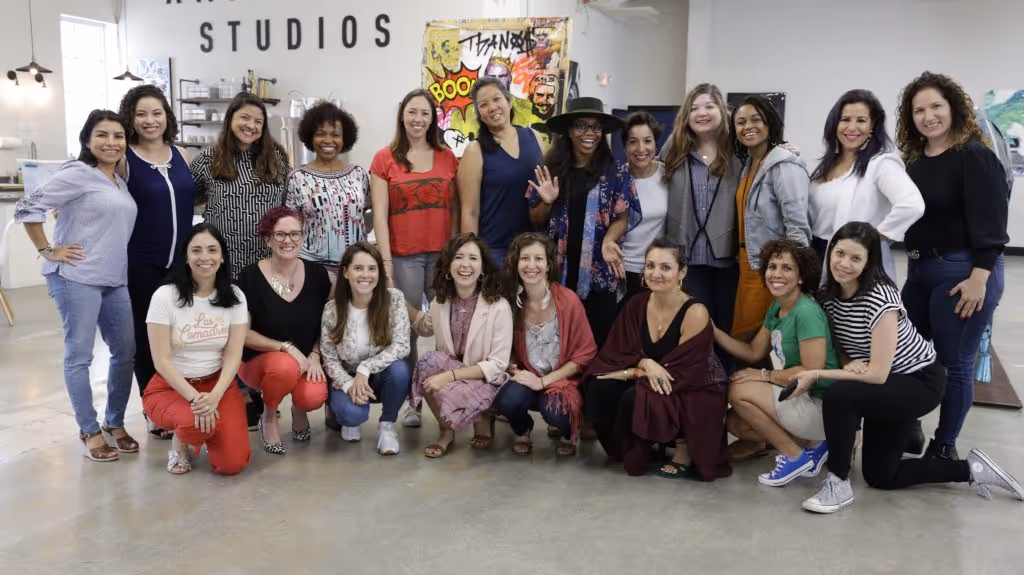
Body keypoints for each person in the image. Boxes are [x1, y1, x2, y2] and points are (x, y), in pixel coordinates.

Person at [790, 222, 1023, 514]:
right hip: (887, 386)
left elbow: (878, 374)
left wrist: (815, 374)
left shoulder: (880, 298)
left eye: (855, 258)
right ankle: (971, 469)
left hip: (918, 382)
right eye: (839, 254)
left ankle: (838, 483)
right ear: (830, 252)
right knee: (881, 476)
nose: (844, 264)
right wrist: (849, 362)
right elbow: (839, 341)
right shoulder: (828, 296)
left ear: (868, 262)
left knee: (840, 395)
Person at [896, 72, 1010, 460]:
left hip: (962, 272)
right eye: (919, 110)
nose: (928, 117)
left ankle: (944, 447)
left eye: (936, 107)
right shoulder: (914, 160)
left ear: (954, 108)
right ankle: (908, 428)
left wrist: (980, 279)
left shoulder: (974, 155)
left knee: (955, 362)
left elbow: (992, 224)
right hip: (919, 271)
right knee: (907, 354)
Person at [15, 110, 138, 462]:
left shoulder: (119, 180)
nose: (111, 142)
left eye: (118, 136)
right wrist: (47, 249)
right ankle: (89, 429)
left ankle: (115, 422)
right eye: (102, 135)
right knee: (80, 356)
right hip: (76, 276)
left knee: (125, 352)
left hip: (114, 277)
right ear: (87, 140)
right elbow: (28, 205)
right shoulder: (78, 172)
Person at [583, 238, 731, 480]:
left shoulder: (695, 312)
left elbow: (681, 374)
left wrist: (633, 373)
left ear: (682, 272)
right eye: (650, 266)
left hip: (692, 387)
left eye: (665, 267)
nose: (656, 274)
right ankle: (624, 449)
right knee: (599, 385)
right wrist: (645, 364)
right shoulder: (636, 304)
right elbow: (616, 352)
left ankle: (683, 446)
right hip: (649, 377)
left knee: (635, 396)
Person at [712, 239, 839, 480]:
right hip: (800, 398)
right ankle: (815, 443)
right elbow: (753, 352)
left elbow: (812, 371)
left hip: (820, 404)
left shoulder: (806, 312)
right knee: (736, 423)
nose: (776, 274)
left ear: (801, 277)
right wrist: (714, 332)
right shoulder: (777, 307)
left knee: (738, 389)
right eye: (772, 267)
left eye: (787, 268)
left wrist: (764, 375)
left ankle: (795, 456)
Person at [369, 89, 459, 428]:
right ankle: (412, 402)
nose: (418, 119)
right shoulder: (384, 159)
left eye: (424, 113)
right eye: (412, 112)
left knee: (448, 328)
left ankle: (450, 398)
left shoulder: (448, 157)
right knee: (406, 331)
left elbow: (456, 209)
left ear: (433, 119)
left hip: (442, 257)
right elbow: (379, 216)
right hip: (404, 256)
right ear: (402, 116)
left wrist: (457, 256)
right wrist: (385, 262)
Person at [117, 84, 196, 441]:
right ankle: (153, 410)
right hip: (141, 262)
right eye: (141, 114)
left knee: (179, 336)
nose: (150, 120)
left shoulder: (181, 155)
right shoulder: (125, 158)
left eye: (156, 113)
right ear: (131, 119)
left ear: (167, 116)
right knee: (146, 338)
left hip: (180, 265)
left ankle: (177, 399)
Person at [528, 96, 640, 348]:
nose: (590, 132)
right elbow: (535, 218)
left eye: (596, 126)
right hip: (558, 272)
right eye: (581, 125)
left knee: (599, 344)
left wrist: (610, 240)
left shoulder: (616, 171)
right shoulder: (549, 169)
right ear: (568, 131)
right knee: (559, 344)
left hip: (599, 272)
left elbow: (623, 216)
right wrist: (546, 201)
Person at [143, 223, 251, 475]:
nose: (205, 257)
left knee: (232, 465)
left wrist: (214, 396)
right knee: (193, 423)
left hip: (217, 384)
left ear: (222, 257)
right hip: (171, 386)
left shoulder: (235, 296)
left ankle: (207, 429)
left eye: (212, 250)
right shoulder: (165, 296)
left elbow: (233, 354)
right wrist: (196, 399)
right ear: (186, 256)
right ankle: (180, 444)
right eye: (196, 250)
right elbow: (161, 361)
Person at [659, 84, 741, 373]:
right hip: (688, 259)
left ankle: (726, 390)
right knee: (693, 332)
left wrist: (785, 148)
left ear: (722, 110)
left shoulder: (739, 151)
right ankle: (695, 389)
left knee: (727, 333)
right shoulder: (674, 148)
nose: (701, 113)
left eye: (708, 106)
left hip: (728, 260)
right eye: (693, 108)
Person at [235, 207, 331, 454]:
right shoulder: (249, 277)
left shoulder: (318, 275)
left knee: (313, 396)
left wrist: (315, 355)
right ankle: (268, 416)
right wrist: (286, 348)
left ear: (302, 237)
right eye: (280, 234)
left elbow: (326, 325)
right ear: (268, 239)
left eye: (295, 234)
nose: (288, 240)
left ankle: (298, 408)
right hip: (259, 362)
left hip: (306, 360)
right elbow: (243, 334)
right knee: (284, 366)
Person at [410, 233, 513, 458]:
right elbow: (426, 327)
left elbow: (497, 365)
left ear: (483, 268)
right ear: (448, 266)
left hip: (485, 379)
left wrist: (449, 377)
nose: (465, 264)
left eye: (473, 258)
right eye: (459, 257)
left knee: (447, 383)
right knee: (427, 363)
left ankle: (484, 415)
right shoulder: (440, 301)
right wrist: (399, 300)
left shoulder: (499, 306)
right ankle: (446, 430)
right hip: (454, 377)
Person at [494, 233, 597, 456]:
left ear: (549, 265)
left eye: (538, 259)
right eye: (525, 258)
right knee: (507, 400)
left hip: (562, 381)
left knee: (555, 411)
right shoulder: (509, 302)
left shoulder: (568, 300)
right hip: (527, 376)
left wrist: (543, 382)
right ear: (516, 263)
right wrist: (511, 366)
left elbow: (585, 354)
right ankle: (523, 430)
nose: (531, 265)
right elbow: (501, 346)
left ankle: (569, 432)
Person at [809, 89, 924, 278]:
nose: (852, 127)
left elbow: (912, 205)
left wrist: (869, 240)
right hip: (817, 256)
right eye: (845, 119)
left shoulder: (881, 163)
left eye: (861, 120)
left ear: (873, 126)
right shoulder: (825, 164)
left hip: (856, 264)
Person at [731, 95, 811, 340]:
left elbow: (798, 226)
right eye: (741, 122)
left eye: (756, 119)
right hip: (747, 265)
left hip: (772, 268)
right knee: (747, 336)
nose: (748, 126)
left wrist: (791, 273)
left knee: (766, 339)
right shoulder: (749, 164)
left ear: (770, 122)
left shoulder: (785, 165)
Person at [320, 242, 412, 455]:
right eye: (358, 268)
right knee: (352, 416)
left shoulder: (394, 299)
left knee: (400, 371)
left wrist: (366, 368)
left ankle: (386, 426)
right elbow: (329, 358)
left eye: (372, 268)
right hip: (347, 377)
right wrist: (349, 384)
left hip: (379, 376)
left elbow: (401, 345)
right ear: (346, 272)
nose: (365, 275)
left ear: (379, 273)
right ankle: (347, 417)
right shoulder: (332, 310)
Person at [191, 92, 290, 278]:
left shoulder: (276, 158)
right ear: (230, 118)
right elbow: (188, 198)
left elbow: (288, 201)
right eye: (245, 117)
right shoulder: (209, 158)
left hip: (267, 257)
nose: (251, 126)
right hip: (223, 259)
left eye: (258, 121)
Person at [458, 76, 545, 264]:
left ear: (509, 102)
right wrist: (471, 257)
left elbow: (547, 190)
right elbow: (470, 211)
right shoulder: (475, 150)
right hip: (495, 251)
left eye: (497, 99)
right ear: (480, 114)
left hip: (533, 249)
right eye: (483, 105)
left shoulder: (534, 137)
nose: (492, 107)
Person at [285, 101, 369, 285]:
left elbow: (365, 215)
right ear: (310, 137)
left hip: (355, 268)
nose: (328, 140)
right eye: (320, 134)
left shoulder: (359, 175)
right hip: (310, 269)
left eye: (335, 135)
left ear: (344, 139)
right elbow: (290, 227)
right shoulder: (297, 178)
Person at [602, 111, 668, 303]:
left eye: (647, 141)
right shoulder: (616, 179)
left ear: (656, 144)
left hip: (656, 270)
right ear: (624, 147)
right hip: (620, 269)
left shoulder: (668, 175)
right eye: (633, 142)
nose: (641, 149)